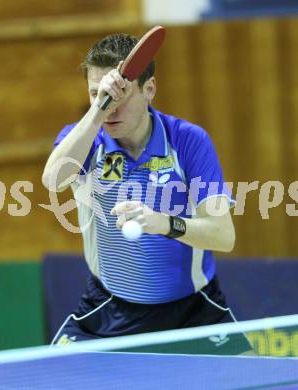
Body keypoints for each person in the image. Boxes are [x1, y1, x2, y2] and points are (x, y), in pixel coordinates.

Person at [42, 32, 251, 354]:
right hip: (109, 311)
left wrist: (166, 223)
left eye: (118, 95)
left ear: (149, 89)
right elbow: (53, 180)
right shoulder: (85, 140)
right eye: (98, 94)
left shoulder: (187, 141)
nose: (109, 106)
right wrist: (97, 110)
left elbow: (224, 236)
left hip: (193, 313)